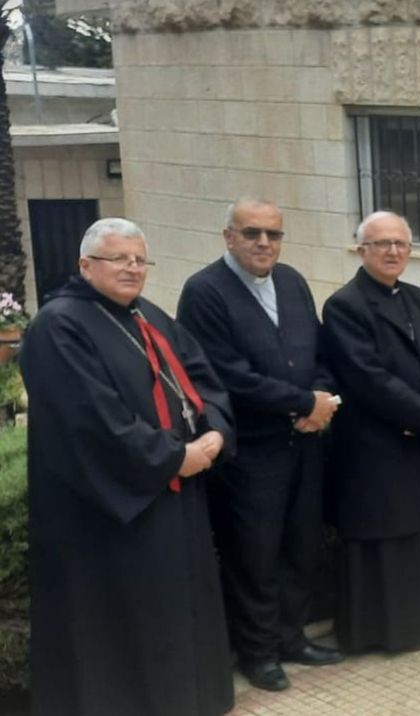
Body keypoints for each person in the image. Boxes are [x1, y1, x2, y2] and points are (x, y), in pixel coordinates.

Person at [25, 217, 235, 716]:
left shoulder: (151, 317)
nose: (132, 268)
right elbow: (91, 421)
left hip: (176, 496)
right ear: (85, 265)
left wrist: (216, 432)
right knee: (124, 624)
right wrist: (174, 458)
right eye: (119, 258)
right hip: (112, 513)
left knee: (177, 613)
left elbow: (205, 379)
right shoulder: (59, 325)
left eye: (140, 259)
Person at [175, 199, 342, 692]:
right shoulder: (205, 291)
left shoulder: (291, 280)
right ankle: (258, 652)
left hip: (304, 444)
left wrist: (323, 401)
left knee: (300, 546)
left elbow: (318, 351)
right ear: (228, 236)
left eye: (273, 234)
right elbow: (225, 374)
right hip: (251, 452)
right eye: (252, 233)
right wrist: (302, 402)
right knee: (255, 555)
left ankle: (292, 638)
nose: (264, 243)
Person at [321, 211, 420, 653]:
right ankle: (381, 632)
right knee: (383, 534)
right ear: (362, 251)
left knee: (415, 531)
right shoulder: (345, 305)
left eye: (400, 243)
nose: (393, 251)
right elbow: (368, 378)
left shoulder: (417, 299)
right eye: (381, 244)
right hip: (374, 443)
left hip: (417, 435)